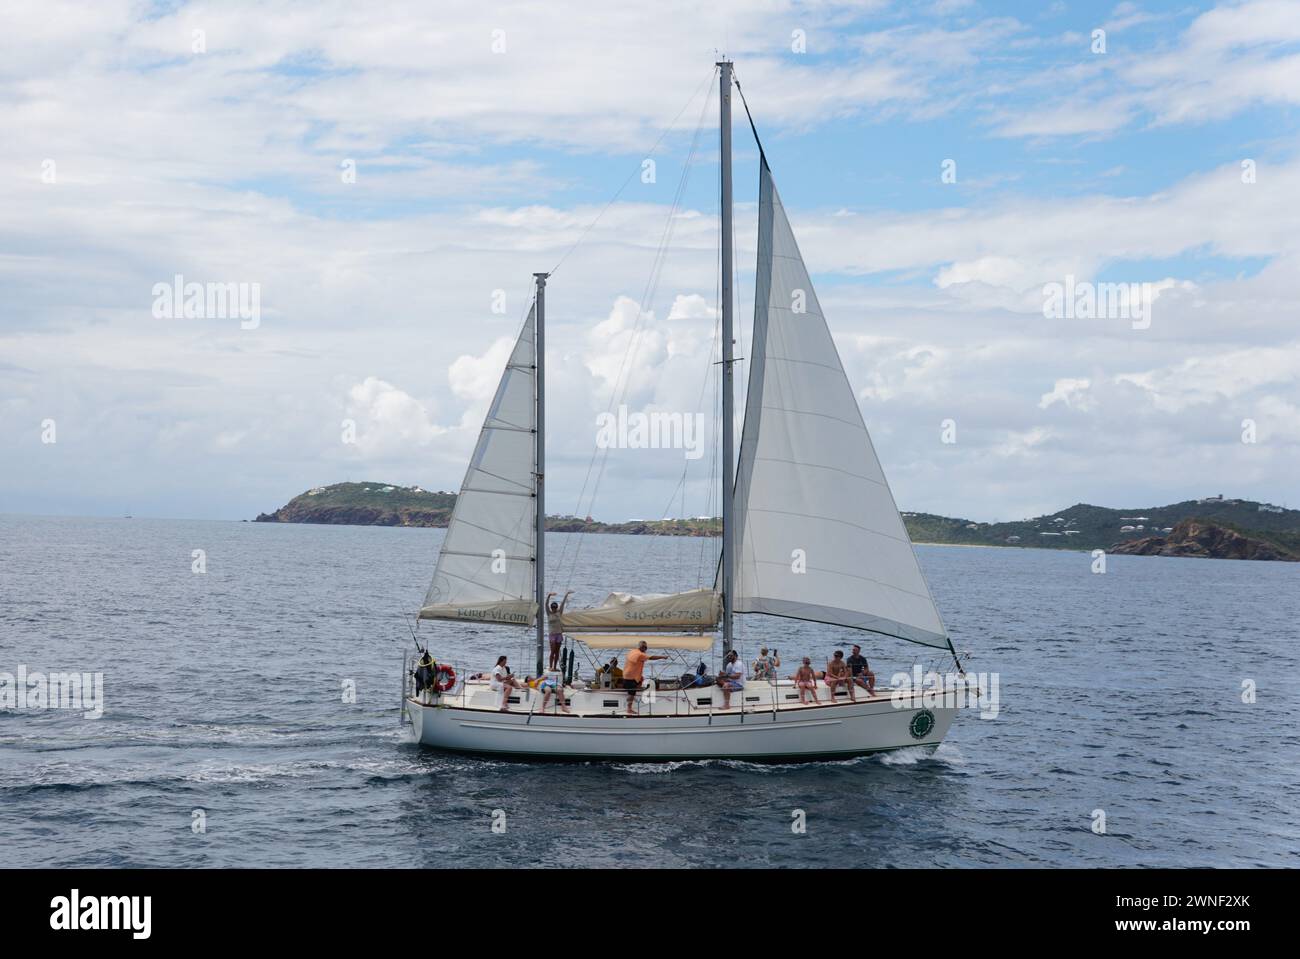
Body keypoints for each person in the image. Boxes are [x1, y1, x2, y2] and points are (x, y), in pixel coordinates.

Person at [622, 641, 667, 716]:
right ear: (640, 647)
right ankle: (629, 709)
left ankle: (636, 696)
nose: (645, 648)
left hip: (628, 675)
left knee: (640, 681)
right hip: (631, 677)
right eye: (643, 647)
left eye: (645, 647)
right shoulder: (640, 654)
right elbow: (651, 657)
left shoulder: (633, 651)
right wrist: (662, 657)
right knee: (632, 693)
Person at [545, 590, 573, 670]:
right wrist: (549, 596)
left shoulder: (559, 613)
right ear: (551, 608)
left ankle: (554, 667)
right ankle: (550, 666)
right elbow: (546, 604)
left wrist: (566, 594)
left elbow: (563, 604)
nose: (554, 609)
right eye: (552, 607)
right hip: (552, 635)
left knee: (557, 652)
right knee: (552, 651)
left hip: (559, 634)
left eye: (555, 607)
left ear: (556, 608)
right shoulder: (549, 613)